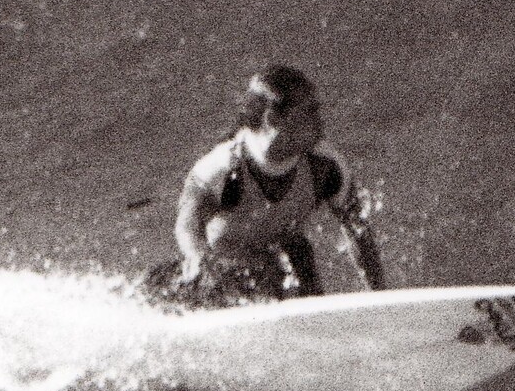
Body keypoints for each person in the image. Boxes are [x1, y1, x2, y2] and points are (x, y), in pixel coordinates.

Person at [146, 65, 384, 307]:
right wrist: (199, 259)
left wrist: (379, 298)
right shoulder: (225, 165)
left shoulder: (326, 167)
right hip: (223, 266)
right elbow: (187, 224)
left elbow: (359, 233)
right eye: (309, 112)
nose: (319, 120)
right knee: (256, 269)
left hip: (279, 259)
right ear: (273, 118)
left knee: (298, 251)